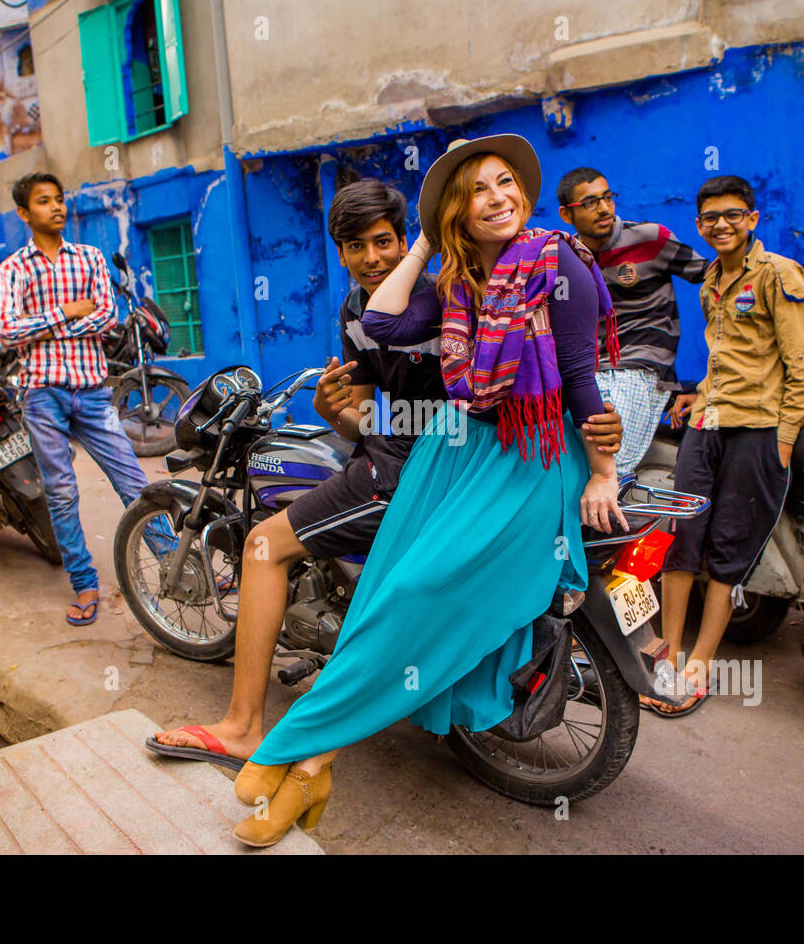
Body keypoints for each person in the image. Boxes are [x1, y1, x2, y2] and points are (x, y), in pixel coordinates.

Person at [228, 135, 628, 848]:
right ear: (455, 213)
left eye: (506, 183)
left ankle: (289, 744)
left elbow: (580, 380)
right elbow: (380, 322)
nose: (497, 197)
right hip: (452, 453)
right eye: (476, 191)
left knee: (417, 594)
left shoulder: (552, 260)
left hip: (528, 455)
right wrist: (423, 242)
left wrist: (602, 472)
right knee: (382, 599)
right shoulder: (457, 282)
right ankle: (316, 765)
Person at [645, 175, 804, 717]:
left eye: (732, 214)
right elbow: (727, 360)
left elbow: (800, 369)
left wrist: (783, 444)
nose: (721, 225)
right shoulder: (710, 281)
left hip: (758, 432)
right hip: (709, 426)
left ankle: (700, 664)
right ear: (698, 226)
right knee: (680, 536)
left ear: (752, 219)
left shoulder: (778, 275)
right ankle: (668, 654)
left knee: (727, 549)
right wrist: (697, 397)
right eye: (711, 218)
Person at [0, 172, 154, 627]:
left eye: (60, 199)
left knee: (134, 482)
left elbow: (105, 317)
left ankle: (172, 557)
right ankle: (84, 583)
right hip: (42, 396)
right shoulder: (14, 269)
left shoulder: (89, 258)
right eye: (44, 202)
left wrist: (43, 325)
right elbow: (8, 331)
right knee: (62, 494)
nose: (57, 207)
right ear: (25, 213)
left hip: (92, 391)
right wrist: (66, 311)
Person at [557, 167, 709, 476]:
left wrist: (715, 379)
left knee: (604, 459)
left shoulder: (651, 238)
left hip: (641, 365)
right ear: (565, 214)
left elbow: (713, 280)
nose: (603, 209)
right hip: (588, 371)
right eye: (590, 203)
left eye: (607, 198)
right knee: (551, 456)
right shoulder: (565, 258)